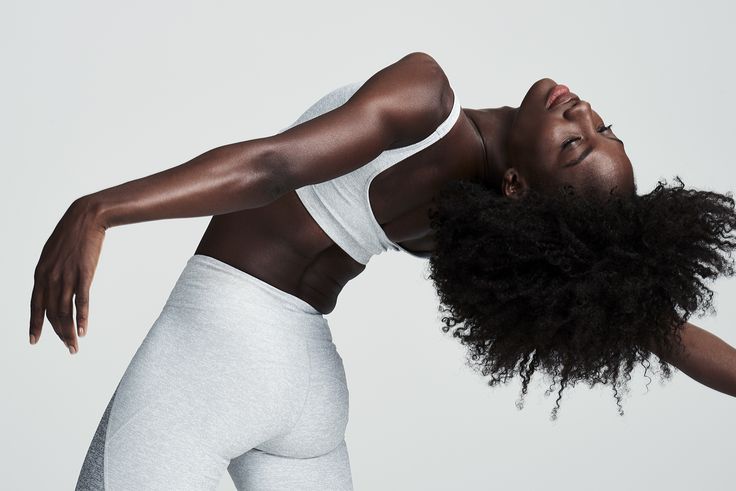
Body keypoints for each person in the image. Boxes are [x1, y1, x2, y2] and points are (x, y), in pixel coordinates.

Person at [29, 51, 736, 489]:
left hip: (216, 352)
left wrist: (101, 209)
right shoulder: (476, 218)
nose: (580, 111)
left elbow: (273, 167)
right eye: (601, 127)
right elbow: (654, 326)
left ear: (520, 185)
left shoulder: (428, 101)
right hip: (308, 389)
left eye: (574, 145)